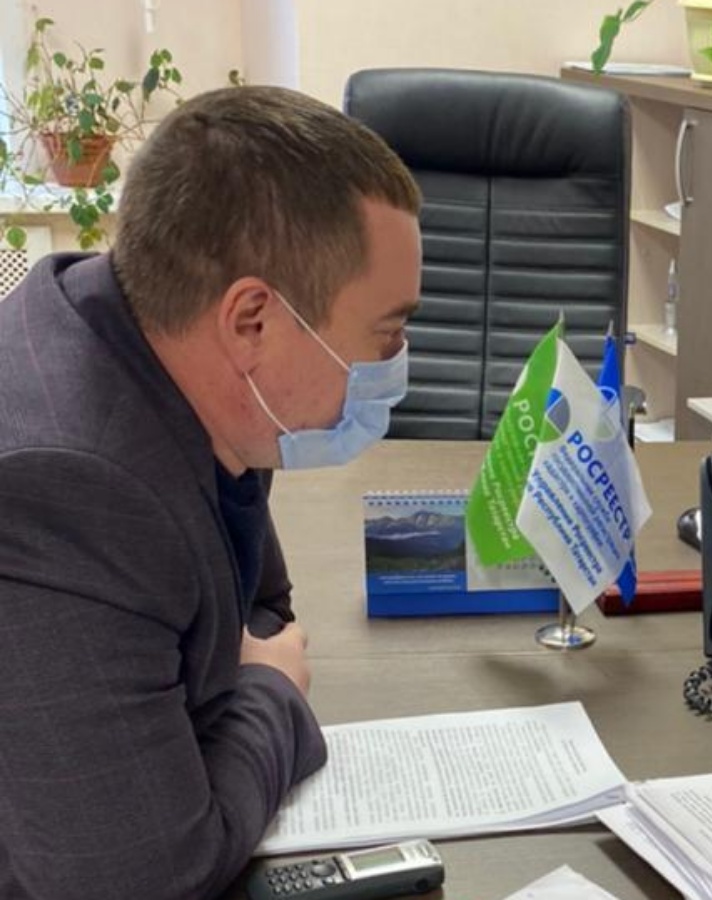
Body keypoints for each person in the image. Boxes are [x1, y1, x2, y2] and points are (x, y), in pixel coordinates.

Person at [0, 86, 421, 898]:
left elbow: (264, 613)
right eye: (389, 333)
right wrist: (274, 692)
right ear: (252, 320)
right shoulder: (65, 491)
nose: (398, 362)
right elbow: (144, 879)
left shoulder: (184, 368)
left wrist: (244, 681)